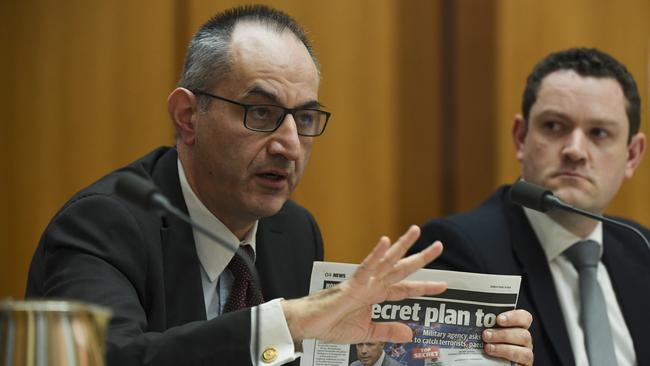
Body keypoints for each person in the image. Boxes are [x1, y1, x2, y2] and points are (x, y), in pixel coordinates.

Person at [25, 5, 532, 366]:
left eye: (305, 118)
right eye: (261, 112)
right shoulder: (101, 225)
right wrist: (285, 323)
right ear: (187, 117)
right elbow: (108, 360)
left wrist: (418, 354)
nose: (289, 144)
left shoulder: (292, 230)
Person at [410, 47, 650, 366]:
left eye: (599, 133)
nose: (575, 150)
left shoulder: (640, 249)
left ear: (632, 155)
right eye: (554, 126)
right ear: (521, 137)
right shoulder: (459, 251)